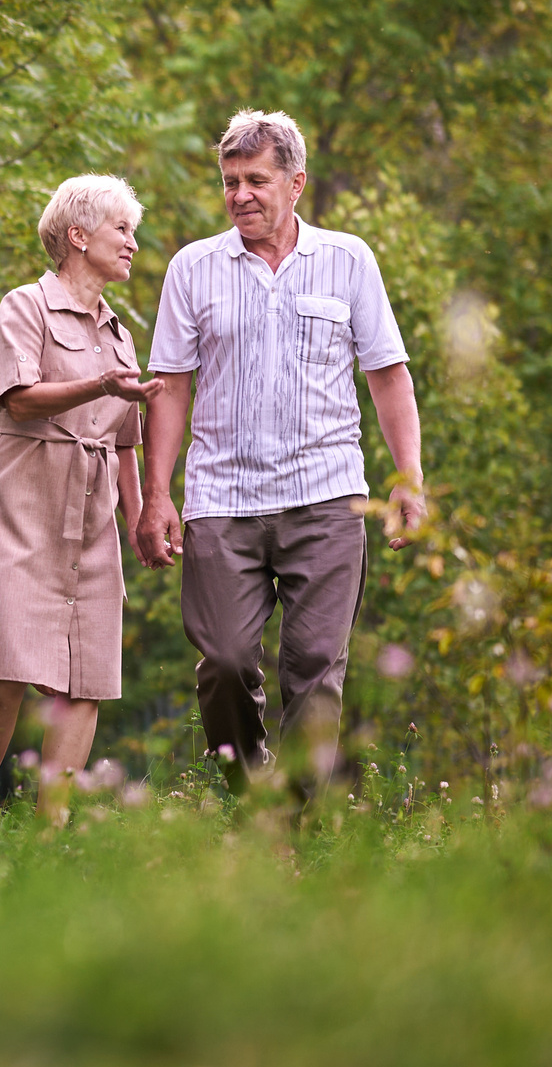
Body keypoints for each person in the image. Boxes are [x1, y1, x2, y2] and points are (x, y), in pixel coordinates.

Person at [134, 110, 427, 793]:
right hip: (221, 502)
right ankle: (247, 793)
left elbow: (387, 375)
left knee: (316, 666)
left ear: (296, 183)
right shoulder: (192, 269)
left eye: (255, 180)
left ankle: (301, 827)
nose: (240, 195)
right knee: (227, 661)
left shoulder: (348, 259)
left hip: (326, 498)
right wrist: (157, 494)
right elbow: (171, 389)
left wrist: (409, 478)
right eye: (230, 181)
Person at [0, 175, 163, 836]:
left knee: (86, 677)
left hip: (92, 514)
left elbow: (125, 442)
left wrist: (142, 519)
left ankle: (50, 831)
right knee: (8, 661)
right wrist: (97, 383)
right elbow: (17, 396)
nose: (133, 242)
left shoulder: (123, 335)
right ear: (79, 235)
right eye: (121, 229)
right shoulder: (26, 306)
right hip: (21, 499)